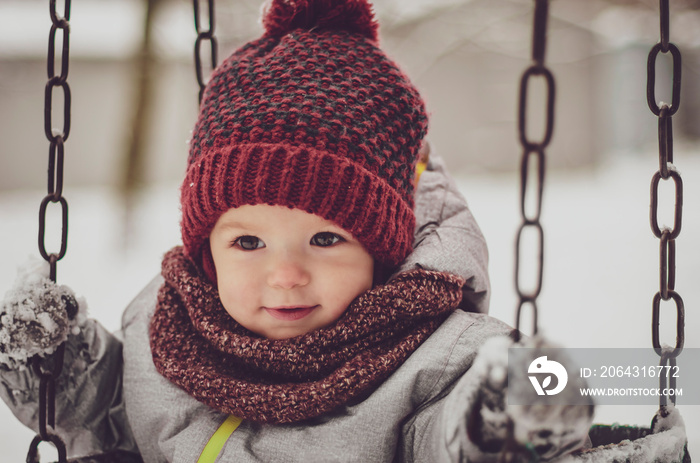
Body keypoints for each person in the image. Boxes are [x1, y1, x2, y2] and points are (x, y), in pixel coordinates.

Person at [0, 0, 593, 461]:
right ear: (207, 250)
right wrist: (67, 373)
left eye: (327, 239)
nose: (284, 276)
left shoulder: (436, 356)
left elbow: (443, 438)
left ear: (383, 253)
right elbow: (118, 418)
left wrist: (497, 420)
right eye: (248, 243)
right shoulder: (165, 326)